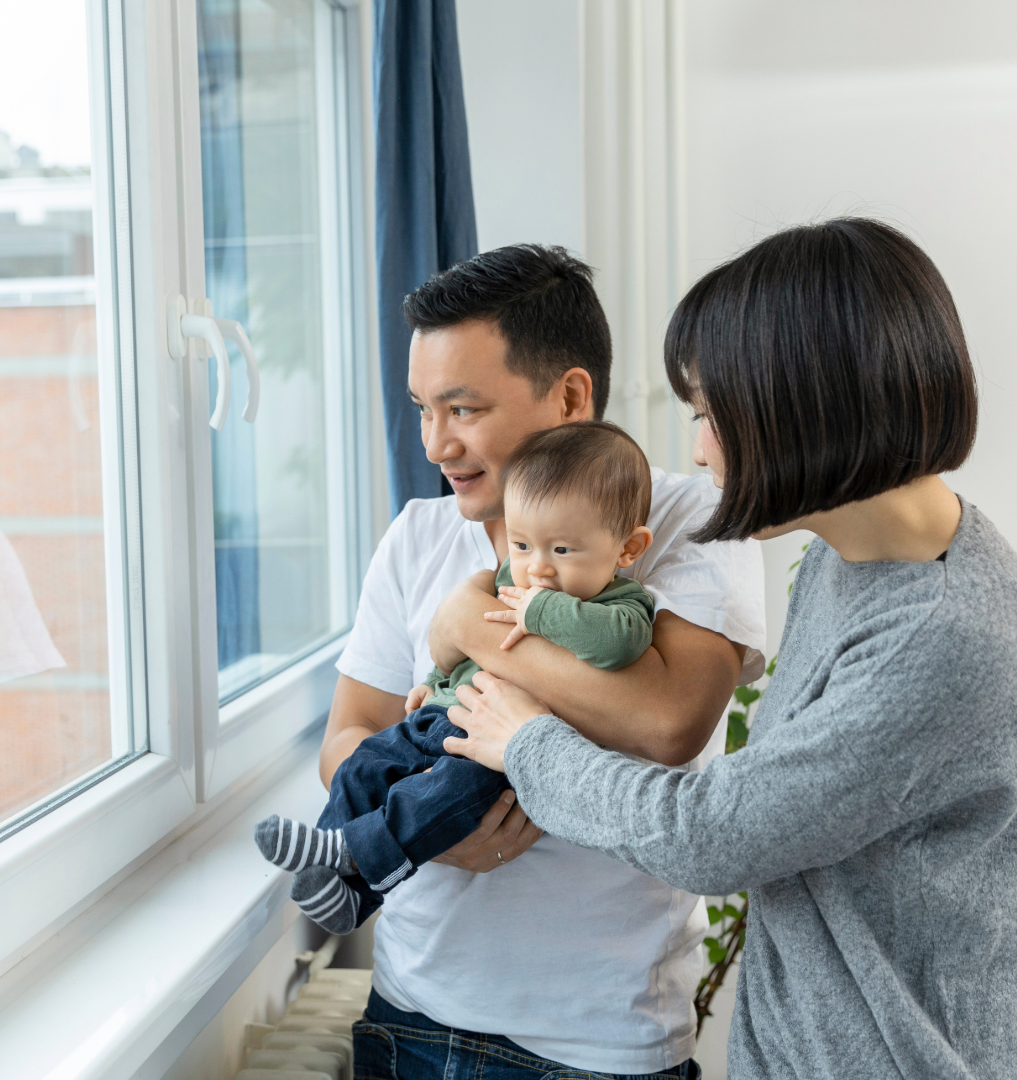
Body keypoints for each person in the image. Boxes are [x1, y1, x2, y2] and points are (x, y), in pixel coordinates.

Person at [445, 219, 1017, 1080]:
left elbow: (713, 836)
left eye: (709, 413)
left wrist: (523, 741)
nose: (699, 448)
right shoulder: (849, 564)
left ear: (806, 401)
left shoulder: (947, 631)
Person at [322, 244, 766, 1077]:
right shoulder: (419, 535)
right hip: (408, 1015)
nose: (436, 443)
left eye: (462, 408)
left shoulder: (685, 517)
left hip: (596, 1043)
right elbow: (349, 734)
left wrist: (474, 626)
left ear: (569, 396)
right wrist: (429, 826)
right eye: (422, 409)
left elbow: (668, 720)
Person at [255, 421, 657, 935]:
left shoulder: (620, 604)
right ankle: (345, 886)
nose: (538, 571)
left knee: (450, 790)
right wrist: (433, 679)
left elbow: (617, 644)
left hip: (493, 751)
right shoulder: (504, 576)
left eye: (561, 550)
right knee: (364, 764)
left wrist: (541, 613)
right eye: (522, 545)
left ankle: (354, 851)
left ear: (627, 550)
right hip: (441, 714)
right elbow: (468, 648)